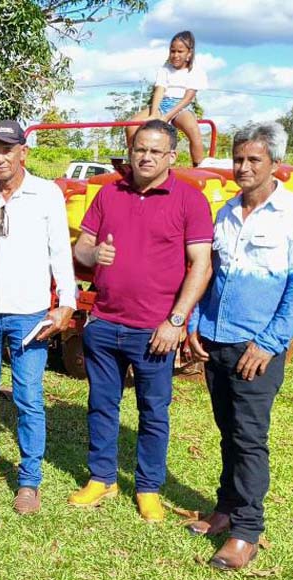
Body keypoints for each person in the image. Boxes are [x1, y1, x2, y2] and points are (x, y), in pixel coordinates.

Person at [185, 122, 293, 570]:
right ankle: (225, 509)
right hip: (216, 341)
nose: (243, 167)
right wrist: (194, 324)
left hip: (256, 347)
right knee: (228, 431)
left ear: (275, 164)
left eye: (253, 160)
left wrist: (269, 343)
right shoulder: (225, 212)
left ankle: (247, 530)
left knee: (249, 438)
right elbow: (211, 275)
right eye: (238, 158)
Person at [69, 120, 213, 521]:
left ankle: (148, 486)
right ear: (130, 153)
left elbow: (201, 264)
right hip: (104, 323)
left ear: (172, 156)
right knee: (101, 404)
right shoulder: (108, 194)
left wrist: (177, 320)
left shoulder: (189, 200)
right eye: (139, 150)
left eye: (154, 151)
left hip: (155, 331)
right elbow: (82, 248)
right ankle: (102, 477)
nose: (145, 157)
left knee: (153, 411)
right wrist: (93, 256)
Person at [0, 120, 77, 514]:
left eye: (7, 150)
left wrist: (67, 303)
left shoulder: (46, 194)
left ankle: (29, 479)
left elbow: (61, 253)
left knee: (28, 396)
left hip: (30, 313)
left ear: (23, 152)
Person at [126, 31, 207, 166]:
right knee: (132, 125)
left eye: (180, 51)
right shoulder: (165, 69)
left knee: (194, 131)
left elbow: (187, 98)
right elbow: (159, 90)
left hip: (181, 106)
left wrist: (167, 117)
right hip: (162, 104)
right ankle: (133, 162)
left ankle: (198, 165)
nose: (175, 55)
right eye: (172, 51)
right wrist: (153, 114)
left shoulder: (196, 72)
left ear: (189, 53)